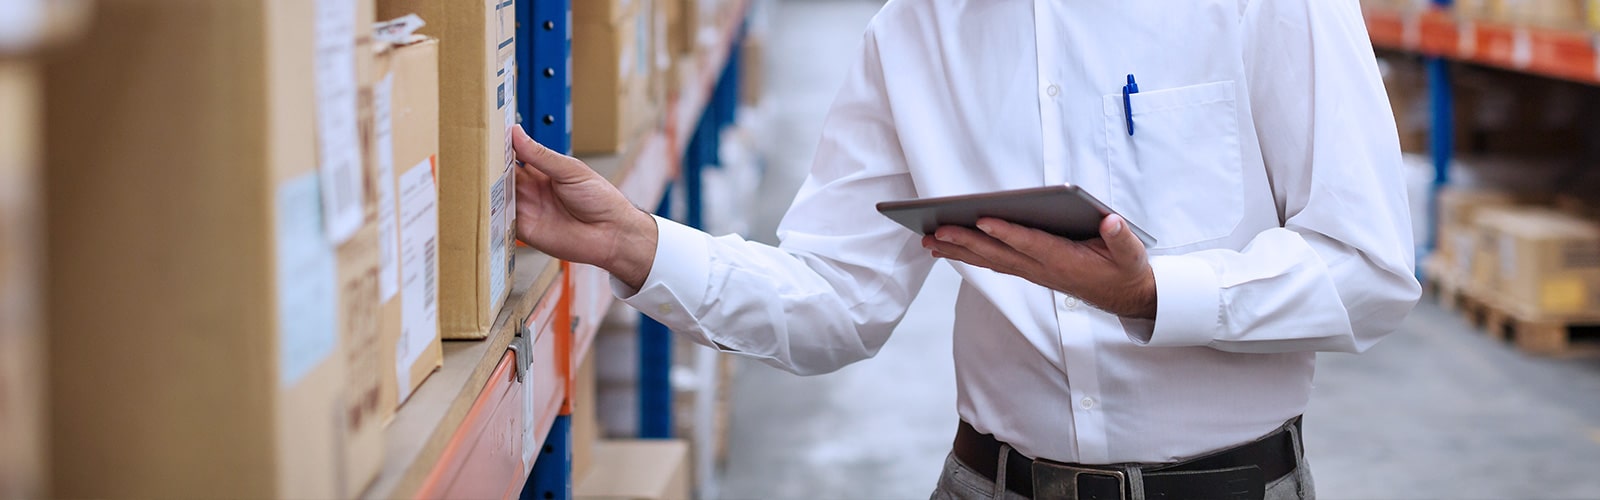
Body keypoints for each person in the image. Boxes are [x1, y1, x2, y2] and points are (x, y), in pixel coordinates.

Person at [512, 0, 1420, 498]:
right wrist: (636, 245)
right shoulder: (914, 32)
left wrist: (1152, 295)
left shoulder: (1269, 7)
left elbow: (1368, 269)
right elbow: (835, 300)